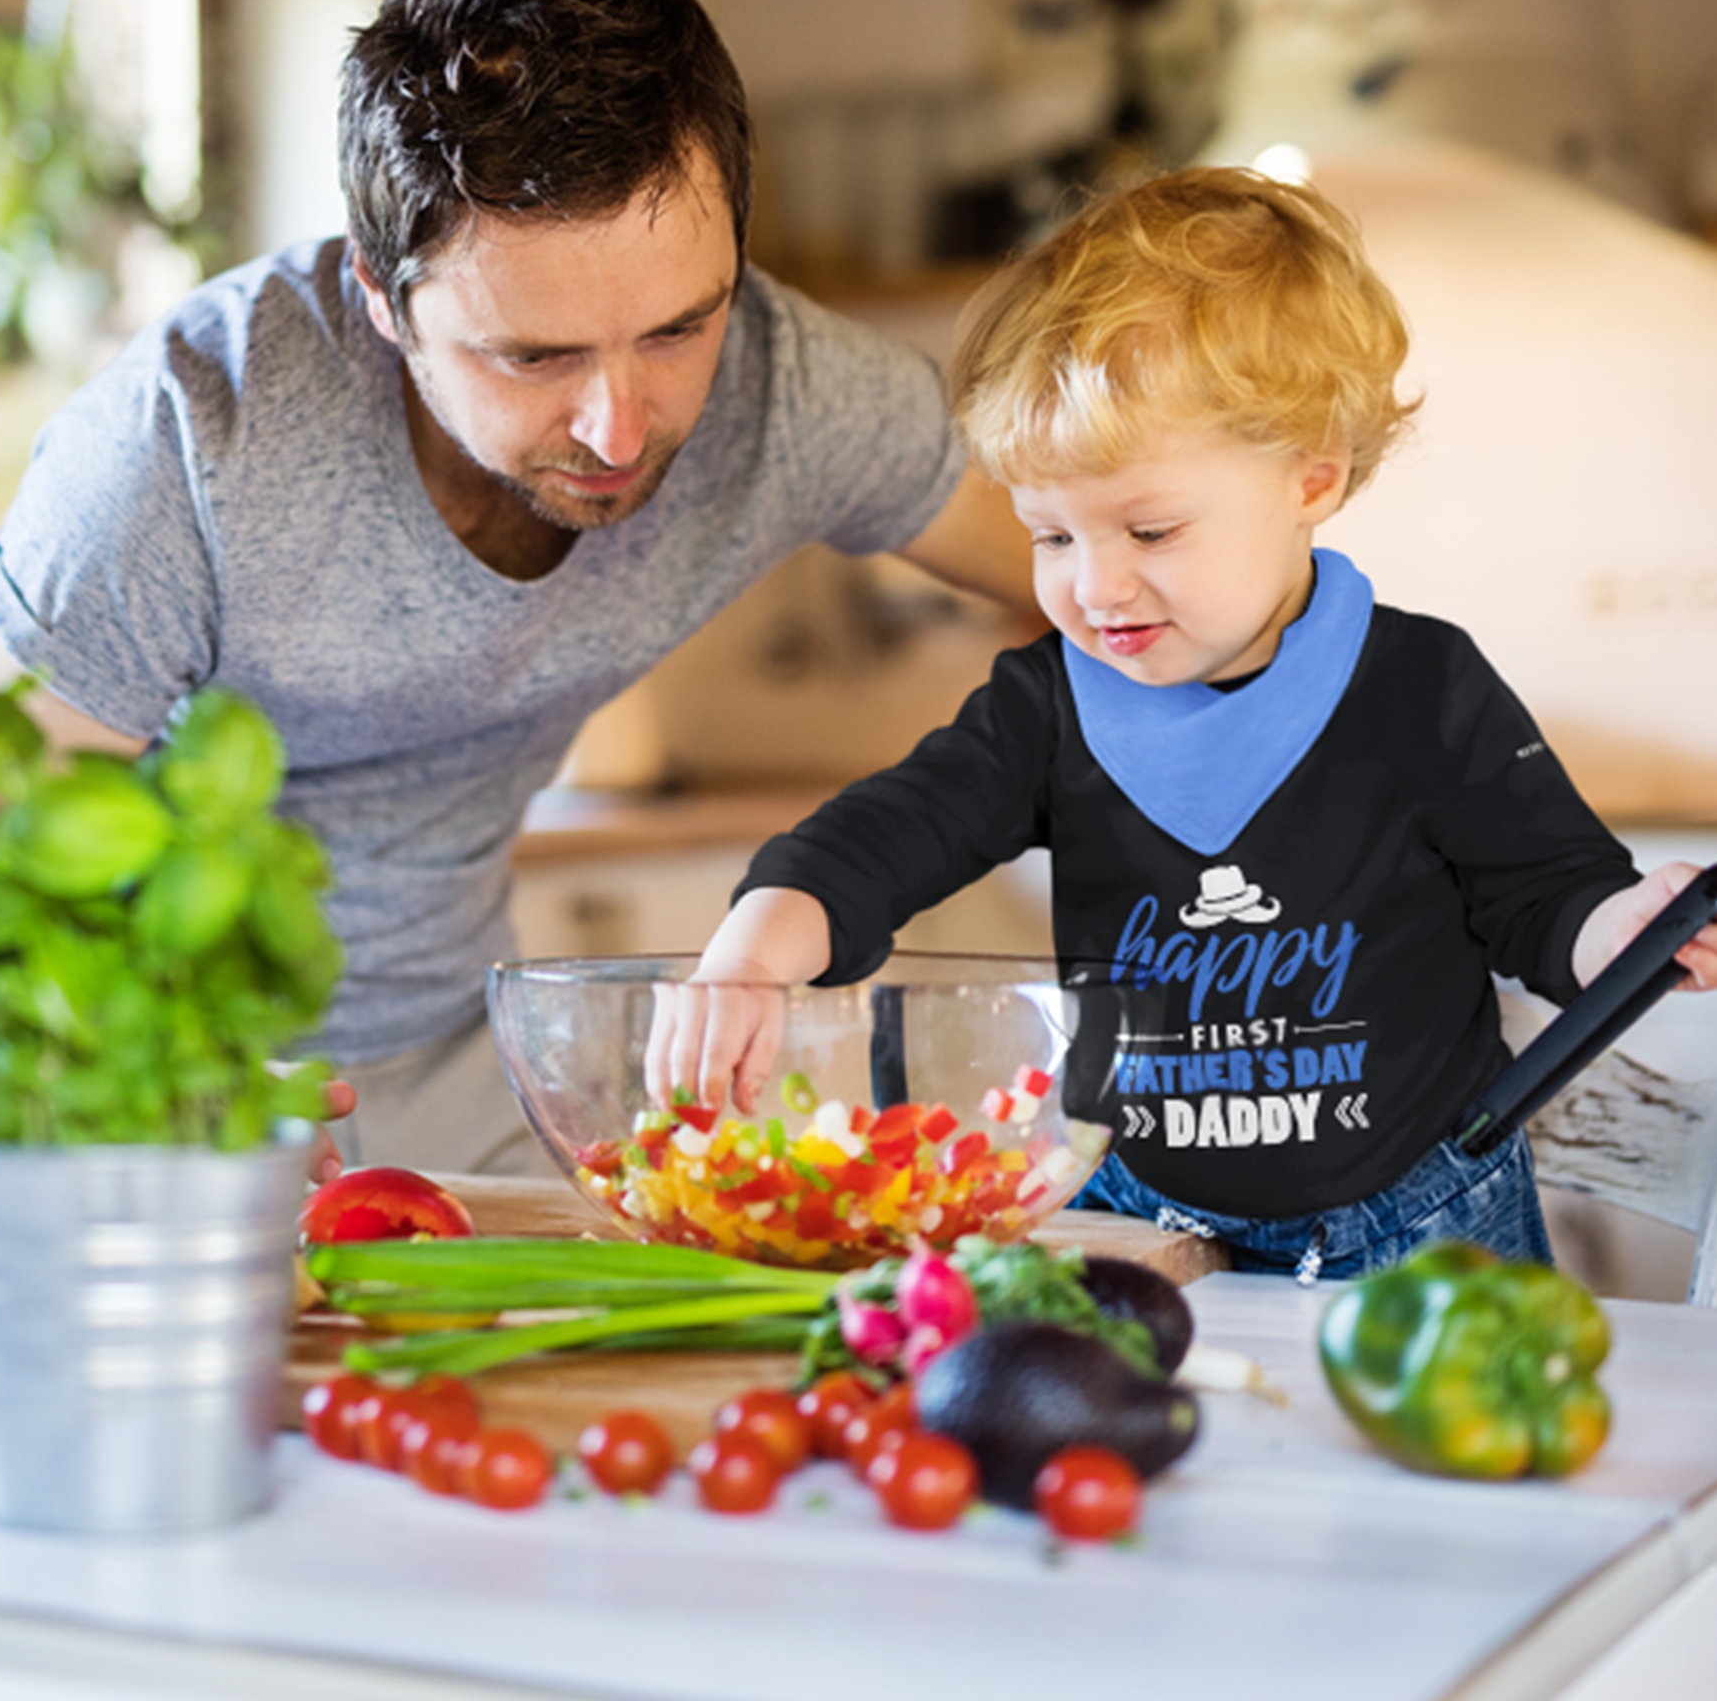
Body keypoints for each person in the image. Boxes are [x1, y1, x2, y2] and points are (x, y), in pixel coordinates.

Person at [0, 0, 1036, 1179]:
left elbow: (1116, 576)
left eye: (681, 328)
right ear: (379, 295)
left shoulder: (788, 390)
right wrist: (106, 1145)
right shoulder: (191, 444)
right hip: (159, 1102)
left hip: (477, 1090)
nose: (618, 426)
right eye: (535, 356)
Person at [649, 165, 1717, 1280]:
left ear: (1311, 480)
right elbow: (893, 830)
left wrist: (1627, 932)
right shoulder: (1050, 706)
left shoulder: (1420, 685)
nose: (1097, 588)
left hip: (1415, 1222)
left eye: (1149, 531)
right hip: (1139, 1219)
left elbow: (1545, 898)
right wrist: (754, 950)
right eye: (1052, 536)